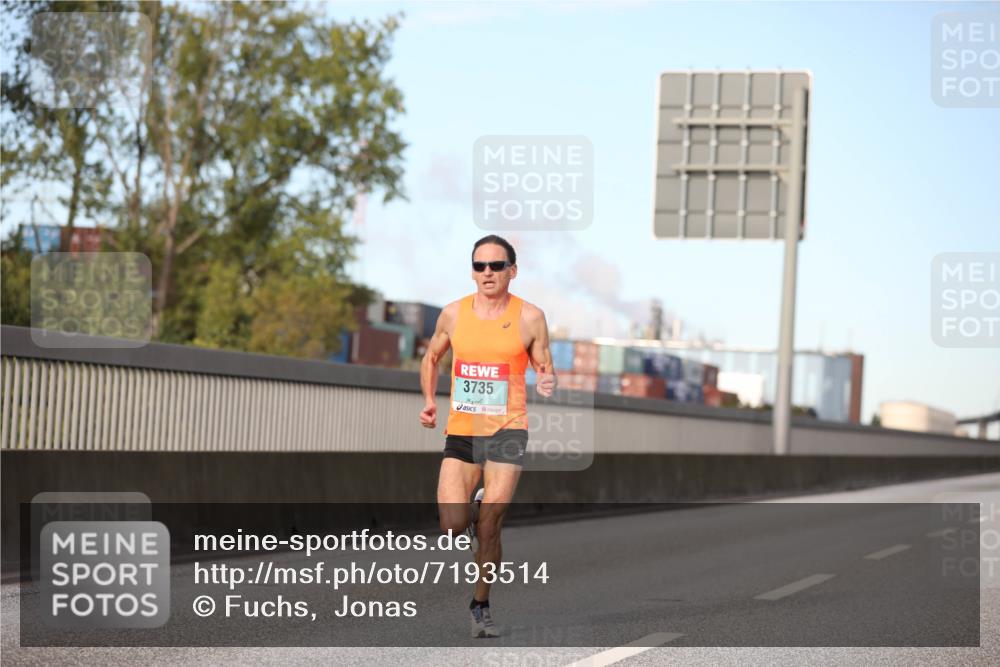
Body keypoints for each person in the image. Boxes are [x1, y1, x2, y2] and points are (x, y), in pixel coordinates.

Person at [419, 234, 555, 638]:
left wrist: (547, 379)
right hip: (462, 429)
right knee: (452, 526)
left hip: (507, 429)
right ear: (473, 271)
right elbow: (431, 357)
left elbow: (544, 364)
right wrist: (429, 400)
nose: (488, 273)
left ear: (512, 271)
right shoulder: (453, 314)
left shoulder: (530, 317)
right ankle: (473, 512)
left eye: (496, 266)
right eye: (480, 266)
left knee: (492, 524)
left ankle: (480, 605)